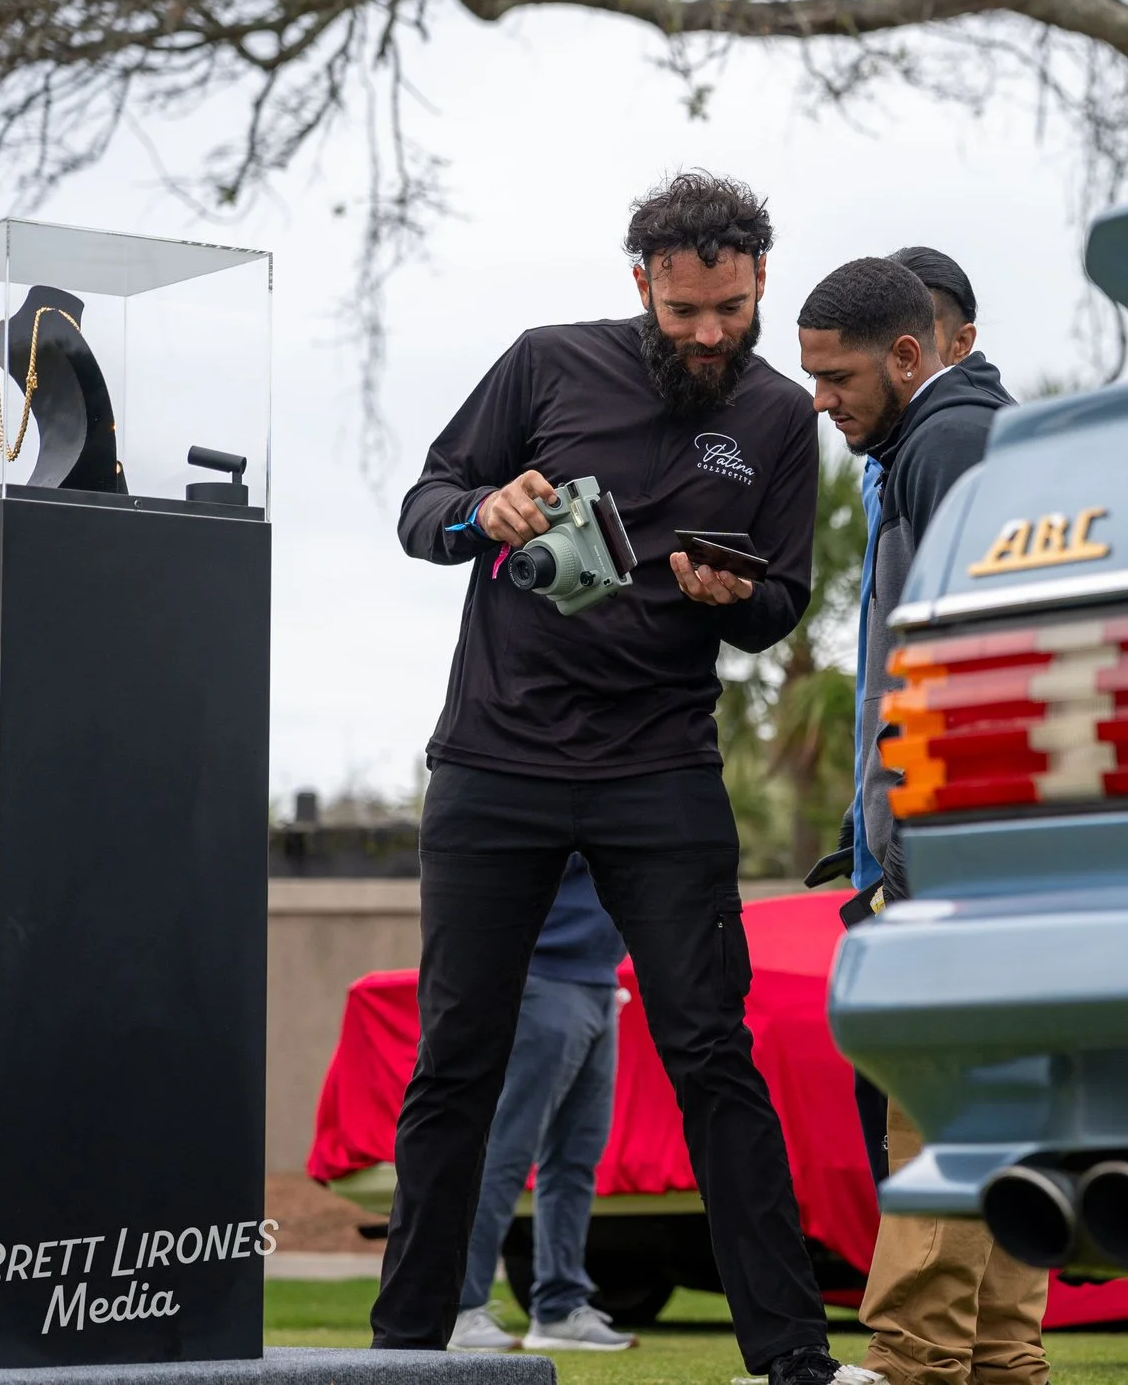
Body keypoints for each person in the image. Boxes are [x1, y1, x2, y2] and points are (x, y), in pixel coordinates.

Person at [379, 172, 839, 1385]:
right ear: (641, 282)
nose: (709, 332)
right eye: (687, 307)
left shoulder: (782, 418)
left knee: (711, 1052)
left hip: (660, 770)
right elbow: (419, 508)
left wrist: (739, 598)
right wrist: (486, 508)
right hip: (496, 759)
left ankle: (793, 1358)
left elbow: (782, 603)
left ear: (755, 287)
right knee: (456, 1057)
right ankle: (400, 1350)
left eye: (731, 307)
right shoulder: (543, 363)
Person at [797, 255, 1041, 1385]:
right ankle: (996, 1361)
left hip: (958, 854)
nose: (820, 400)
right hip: (977, 845)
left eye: (836, 375)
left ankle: (907, 1361)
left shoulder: (946, 442)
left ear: (910, 353)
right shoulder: (955, 438)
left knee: (933, 1109)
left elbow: (954, 660)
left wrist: (911, 850)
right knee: (987, 1112)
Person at [447, 855, 633, 1354]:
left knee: (575, 1159)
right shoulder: (565, 792)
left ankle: (557, 1308)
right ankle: (460, 1309)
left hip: (599, 982)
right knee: (507, 1149)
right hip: (543, 977)